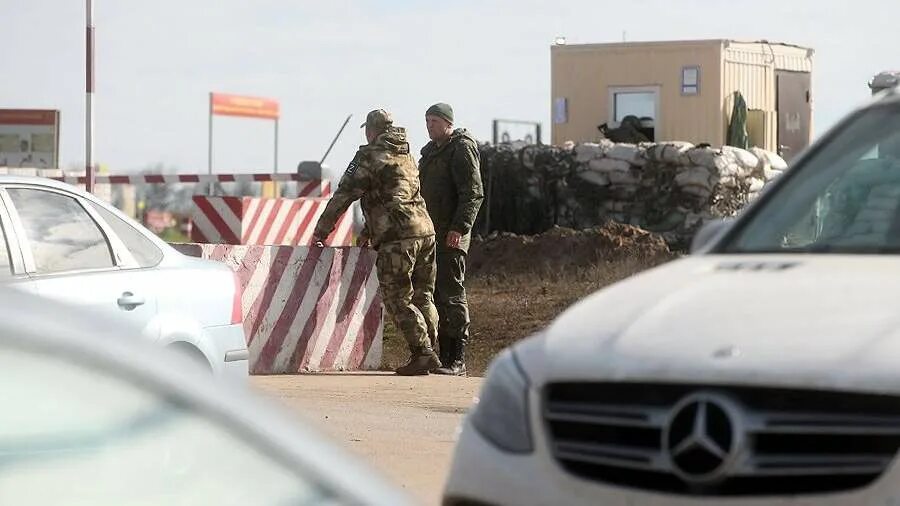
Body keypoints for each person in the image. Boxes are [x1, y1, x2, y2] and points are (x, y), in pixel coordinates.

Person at [312, 109, 441, 376]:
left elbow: (344, 195)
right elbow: (389, 195)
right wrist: (370, 230)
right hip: (426, 232)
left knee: (397, 297)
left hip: (398, 237)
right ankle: (432, 349)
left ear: (372, 130)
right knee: (424, 296)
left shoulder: (368, 156)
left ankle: (423, 352)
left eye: (366, 130)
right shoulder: (405, 153)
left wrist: (320, 232)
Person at [418, 103, 484, 376]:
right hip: (431, 233)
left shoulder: (461, 148)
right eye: (427, 121)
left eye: (434, 121)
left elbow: (473, 192)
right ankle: (443, 357)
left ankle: (457, 359)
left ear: (448, 123)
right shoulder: (430, 153)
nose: (429, 125)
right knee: (435, 294)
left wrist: (460, 227)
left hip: (452, 235)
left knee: (452, 294)